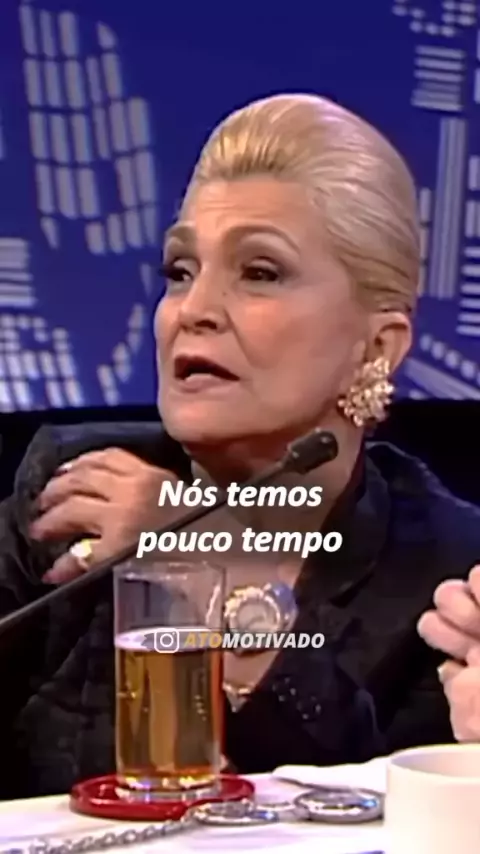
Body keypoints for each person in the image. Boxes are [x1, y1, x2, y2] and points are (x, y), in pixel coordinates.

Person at [1, 92, 480, 801]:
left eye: (259, 272)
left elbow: (361, 804)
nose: (193, 311)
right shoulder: (71, 490)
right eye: (180, 271)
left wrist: (206, 561)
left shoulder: (449, 574)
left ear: (375, 347)